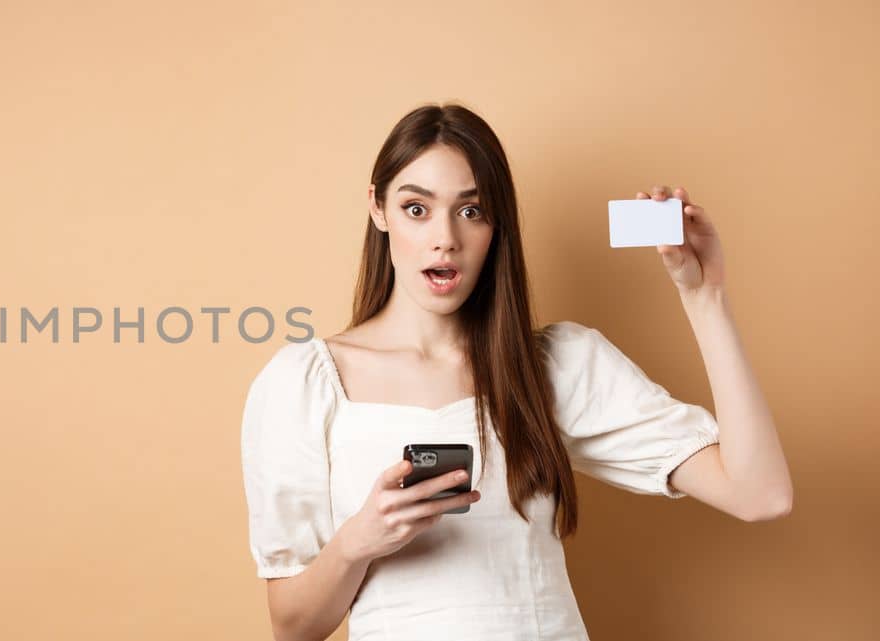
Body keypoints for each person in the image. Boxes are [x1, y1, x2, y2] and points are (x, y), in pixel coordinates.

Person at [238, 103, 793, 641]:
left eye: (471, 210)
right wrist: (358, 540)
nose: (445, 238)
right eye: (416, 208)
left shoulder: (553, 367)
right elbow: (293, 627)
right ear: (378, 208)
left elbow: (759, 495)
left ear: (497, 225)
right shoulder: (305, 383)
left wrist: (705, 296)